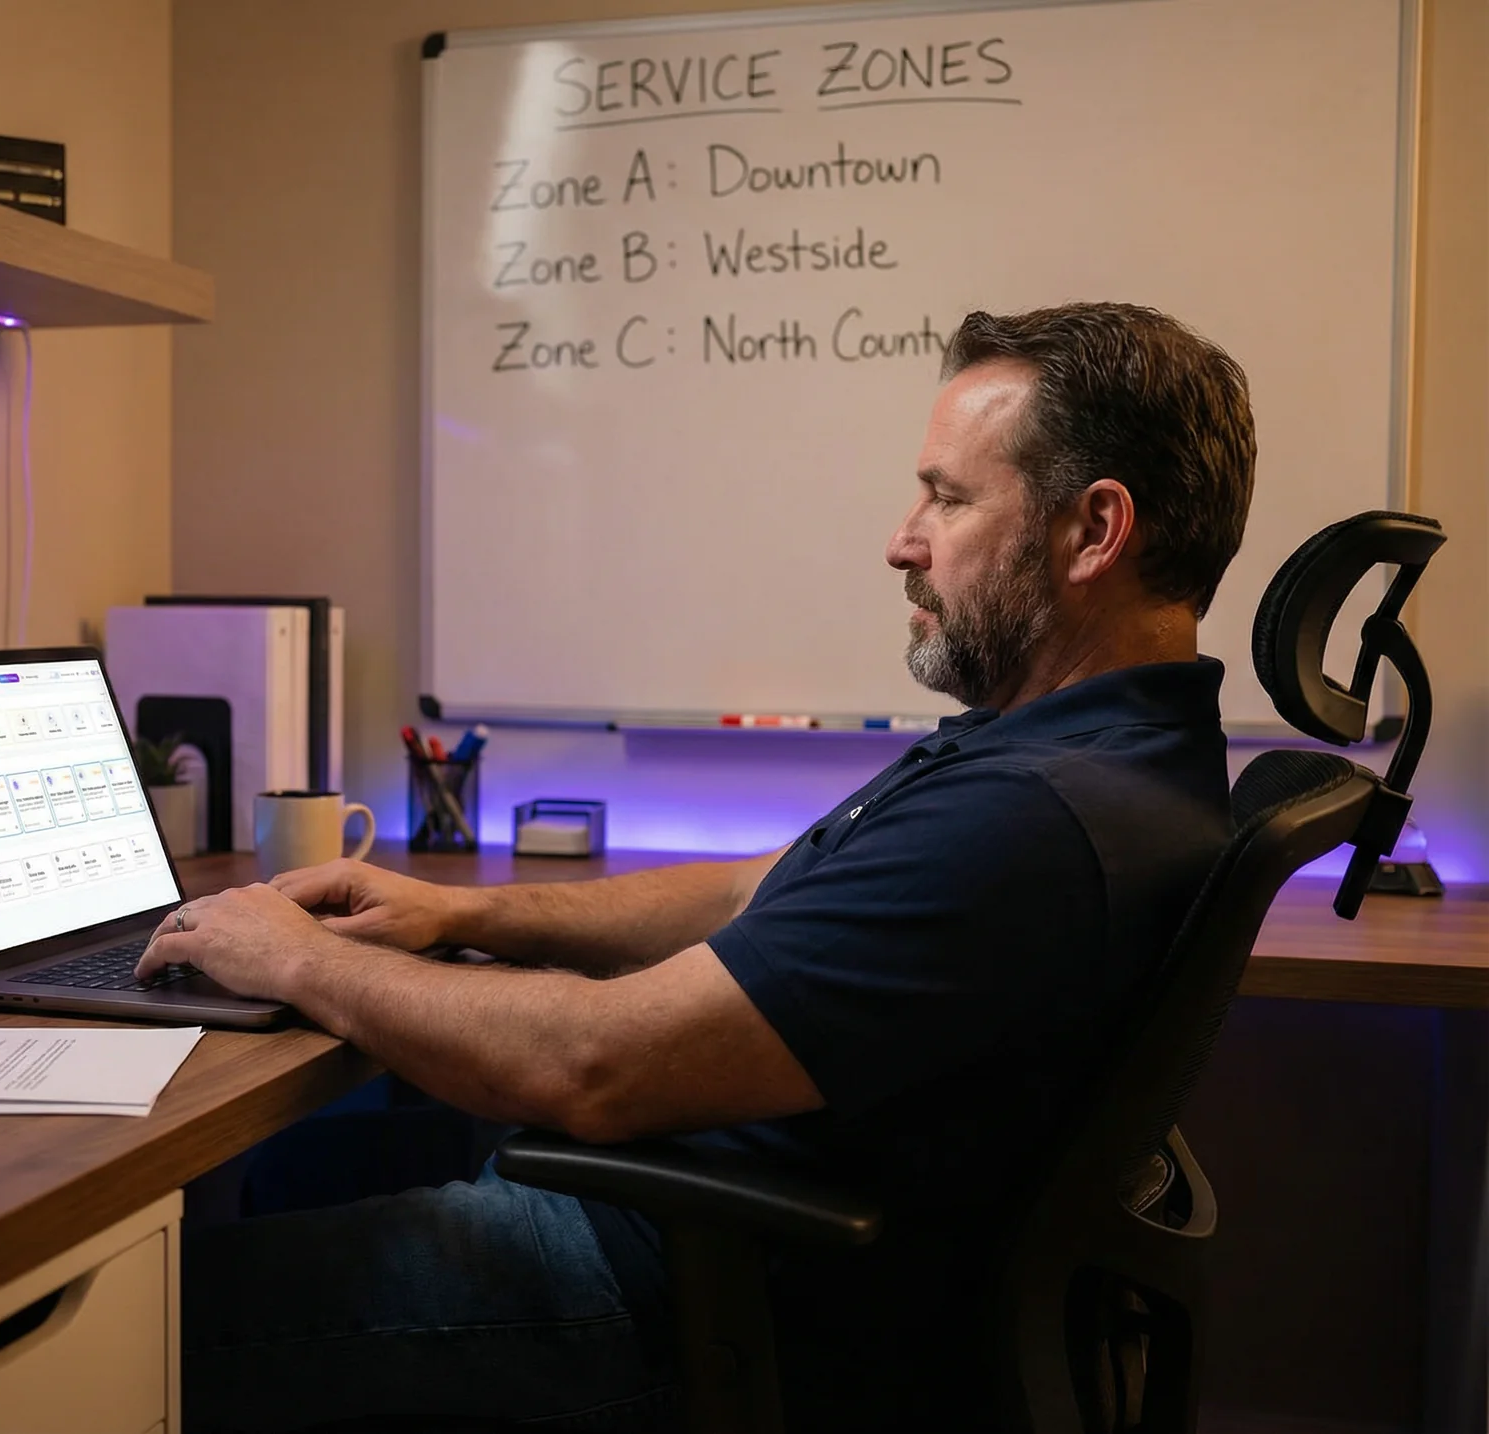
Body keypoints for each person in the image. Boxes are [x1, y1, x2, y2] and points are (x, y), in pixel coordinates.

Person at [138, 302, 1258, 1432]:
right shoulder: (1087, 749)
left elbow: (594, 1067)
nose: (903, 539)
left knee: (141, 1333)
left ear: (1094, 532)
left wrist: (296, 960)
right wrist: (466, 911)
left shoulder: (1034, 819)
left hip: (685, 1288)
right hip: (722, 1221)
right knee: (283, 1179)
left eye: (949, 496)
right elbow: (750, 889)